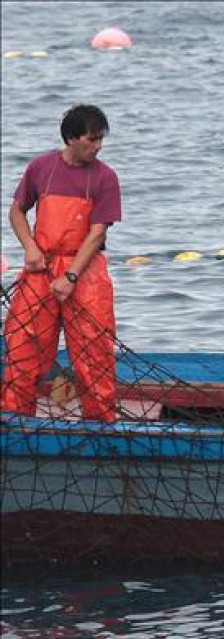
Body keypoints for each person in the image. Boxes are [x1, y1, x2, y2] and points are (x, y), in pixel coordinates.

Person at [2, 105, 122, 421]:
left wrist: (70, 277)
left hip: (85, 272)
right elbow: (17, 211)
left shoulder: (105, 177)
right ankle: (16, 423)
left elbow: (97, 234)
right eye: (92, 139)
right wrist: (29, 247)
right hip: (40, 269)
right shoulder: (41, 167)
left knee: (93, 354)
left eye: (101, 140)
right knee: (23, 347)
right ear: (71, 138)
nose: (98, 146)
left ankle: (101, 426)